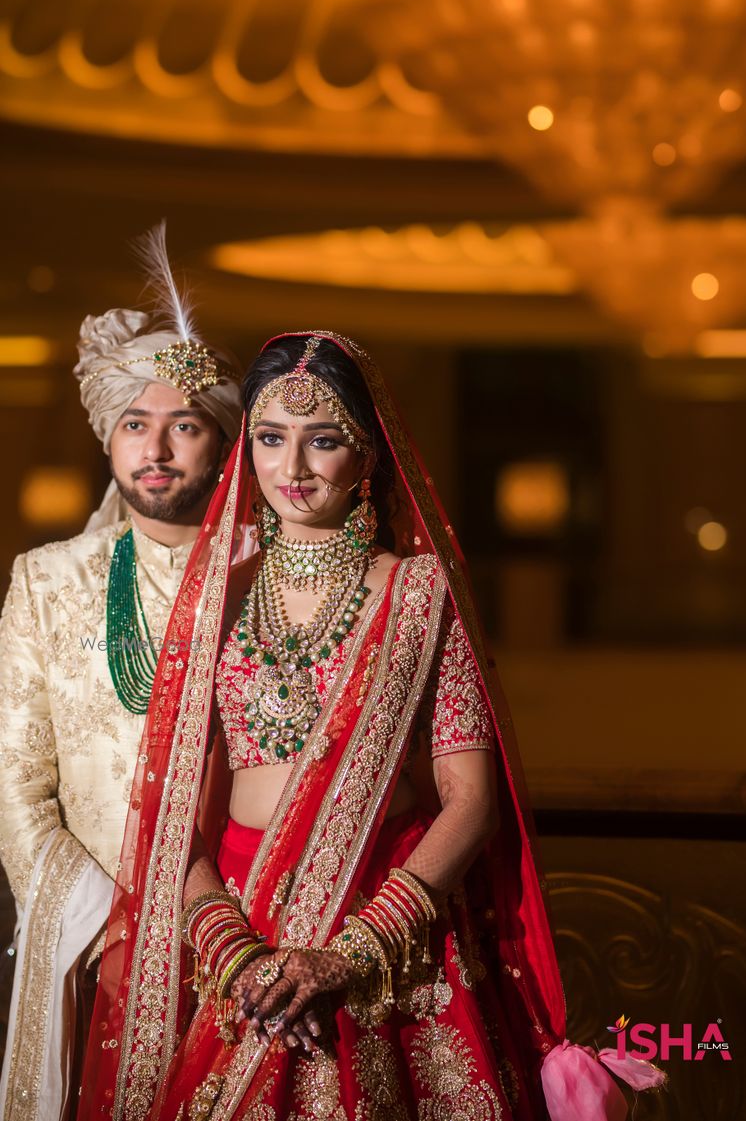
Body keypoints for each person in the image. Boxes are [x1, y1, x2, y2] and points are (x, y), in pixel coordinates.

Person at [78, 332, 665, 1121]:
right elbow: (178, 818)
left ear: (369, 454)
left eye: (322, 440)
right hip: (244, 932)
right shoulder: (212, 598)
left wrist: (350, 953)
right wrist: (236, 954)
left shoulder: (420, 597)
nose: (291, 469)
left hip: (388, 936)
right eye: (270, 439)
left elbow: (471, 801)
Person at [0, 226, 242, 1121]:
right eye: (135, 424)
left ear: (220, 441)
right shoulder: (49, 580)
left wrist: (225, 933)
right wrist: (105, 928)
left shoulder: (269, 575)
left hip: (245, 936)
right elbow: (17, 786)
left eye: (185, 424)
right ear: (108, 438)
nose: (159, 449)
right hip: (93, 940)